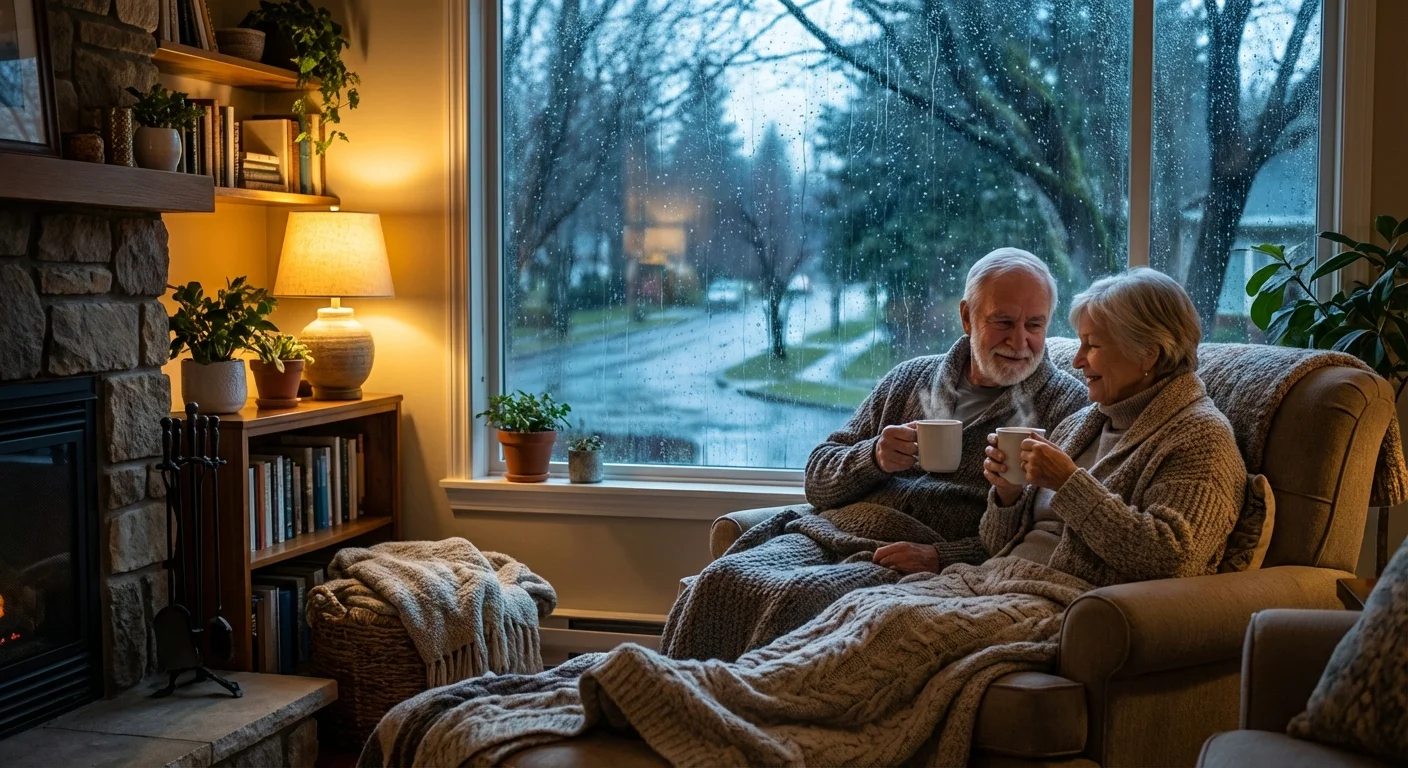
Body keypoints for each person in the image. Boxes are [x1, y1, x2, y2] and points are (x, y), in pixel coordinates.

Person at [660, 248, 1089, 661]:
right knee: (724, 578)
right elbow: (817, 477)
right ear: (966, 317)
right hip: (828, 532)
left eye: (1035, 324)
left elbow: (1040, 540)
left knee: (798, 599)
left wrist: (943, 557)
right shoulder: (909, 378)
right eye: (1003, 322)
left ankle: (726, 709)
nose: (1020, 341)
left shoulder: (1064, 406)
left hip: (905, 558)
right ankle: (668, 700)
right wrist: (874, 457)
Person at [981, 267, 1245, 585]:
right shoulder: (1080, 425)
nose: (1077, 361)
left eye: (1092, 345)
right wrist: (1008, 495)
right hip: (994, 580)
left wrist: (1068, 483)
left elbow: (1173, 559)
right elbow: (996, 547)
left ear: (1148, 353)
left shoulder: (1201, 439)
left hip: (1059, 601)